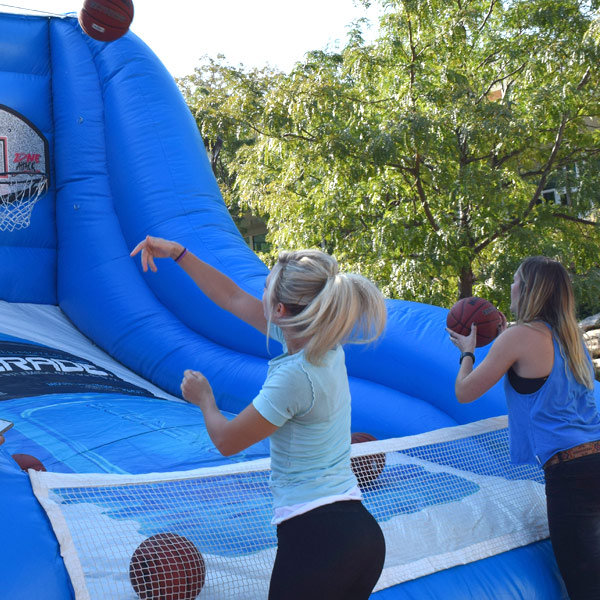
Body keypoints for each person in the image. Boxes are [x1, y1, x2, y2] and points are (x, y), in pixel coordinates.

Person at [131, 236, 387, 600]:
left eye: (265, 288)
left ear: (280, 310)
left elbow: (227, 441)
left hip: (320, 539)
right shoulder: (322, 342)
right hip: (359, 535)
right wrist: (179, 254)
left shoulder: (294, 377)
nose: (259, 292)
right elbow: (231, 297)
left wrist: (204, 399)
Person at [447, 256, 600, 600]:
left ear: (528, 289)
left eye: (516, 280)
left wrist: (466, 352)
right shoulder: (571, 338)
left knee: (585, 582)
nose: (511, 286)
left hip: (571, 472)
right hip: (595, 458)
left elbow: (464, 391)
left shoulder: (519, 336)